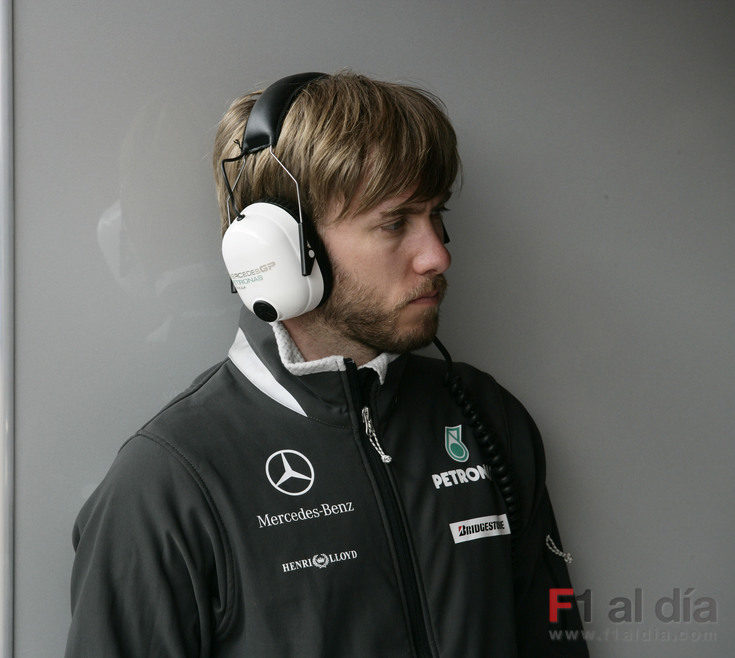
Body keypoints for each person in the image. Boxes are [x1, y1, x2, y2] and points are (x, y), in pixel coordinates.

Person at [65, 71, 588, 657]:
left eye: (436, 215)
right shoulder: (167, 483)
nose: (437, 253)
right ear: (282, 251)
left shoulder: (487, 417)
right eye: (395, 222)